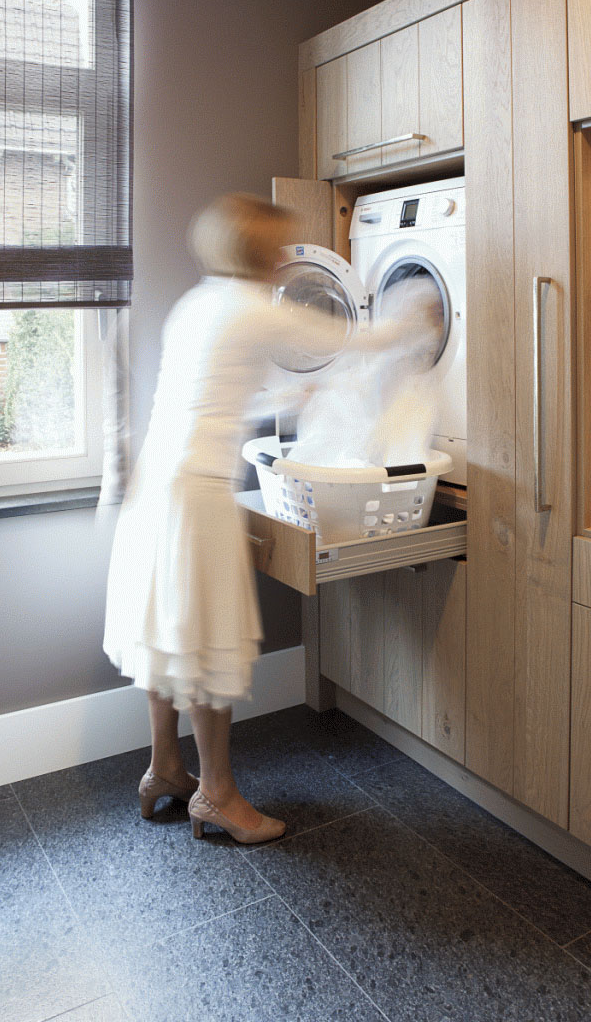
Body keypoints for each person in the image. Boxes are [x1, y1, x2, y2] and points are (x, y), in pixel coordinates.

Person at [103, 192, 435, 845]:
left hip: (156, 484)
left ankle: (165, 768)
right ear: (263, 251)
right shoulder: (255, 307)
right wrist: (422, 304)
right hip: (195, 494)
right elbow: (356, 338)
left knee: (171, 632)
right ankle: (218, 796)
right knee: (204, 642)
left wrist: (292, 393)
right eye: (281, 245)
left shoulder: (201, 303)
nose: (288, 256)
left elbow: (216, 390)